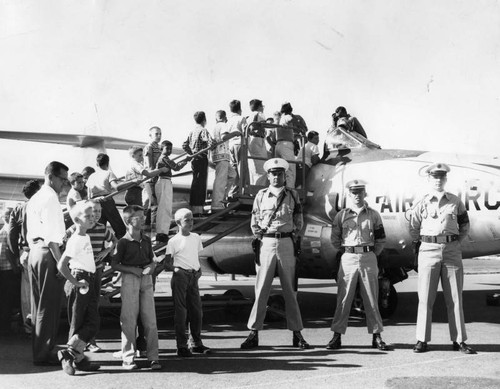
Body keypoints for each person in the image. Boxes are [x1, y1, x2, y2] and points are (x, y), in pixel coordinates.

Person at [241, 158, 309, 349]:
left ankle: (297, 334)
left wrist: (291, 236)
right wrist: (263, 237)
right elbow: (254, 221)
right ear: (268, 176)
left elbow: (299, 220)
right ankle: (253, 333)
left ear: (284, 176)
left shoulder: (293, 196)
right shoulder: (261, 196)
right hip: (267, 243)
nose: (276, 177)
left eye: (280, 173)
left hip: (286, 242)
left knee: (290, 291)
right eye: (273, 173)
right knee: (261, 289)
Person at [409, 163, 475, 354]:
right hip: (428, 250)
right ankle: (422, 340)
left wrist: (453, 243)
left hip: (451, 251)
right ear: (429, 179)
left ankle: (459, 340)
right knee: (425, 298)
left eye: (441, 177)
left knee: (455, 297)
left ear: (445, 179)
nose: (438, 180)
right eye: (435, 177)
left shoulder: (455, 201)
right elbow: (413, 227)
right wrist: (424, 244)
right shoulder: (421, 202)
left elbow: (464, 225)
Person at [326, 179, 388, 351]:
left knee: (371, 298)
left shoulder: (373, 215)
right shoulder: (342, 215)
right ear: (349, 194)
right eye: (354, 192)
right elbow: (335, 239)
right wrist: (348, 251)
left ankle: (377, 337)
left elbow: (381, 239)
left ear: (364, 193)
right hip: (348, 258)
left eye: (360, 192)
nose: (357, 195)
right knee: (344, 298)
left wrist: (370, 254)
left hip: (368, 257)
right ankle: (336, 337)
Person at [26, 161, 69, 365]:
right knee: (49, 306)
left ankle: (40, 349)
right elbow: (53, 237)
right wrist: (61, 262)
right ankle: (45, 352)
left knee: (38, 306)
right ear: (51, 177)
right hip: (48, 251)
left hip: (34, 251)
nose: (64, 184)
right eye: (62, 179)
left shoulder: (35, 198)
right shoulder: (51, 198)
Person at [111, 205, 161, 371]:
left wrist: (152, 266)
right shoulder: (123, 242)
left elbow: (152, 259)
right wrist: (132, 270)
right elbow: (114, 264)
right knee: (129, 320)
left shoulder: (146, 240)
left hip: (146, 279)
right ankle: (128, 358)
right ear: (128, 221)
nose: (142, 219)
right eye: (138, 217)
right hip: (131, 280)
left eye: (142, 216)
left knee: (150, 320)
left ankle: (153, 357)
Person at [65, 200, 117, 353]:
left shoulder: (102, 229)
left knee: (93, 309)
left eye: (99, 211)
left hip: (96, 270)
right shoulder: (76, 230)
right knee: (79, 312)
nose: (97, 215)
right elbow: (62, 244)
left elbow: (114, 241)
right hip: (81, 273)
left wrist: (106, 252)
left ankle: (86, 343)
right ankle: (74, 348)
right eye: (94, 211)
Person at [57, 202, 101, 375]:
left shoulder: (86, 237)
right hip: (80, 280)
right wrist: (75, 282)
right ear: (76, 219)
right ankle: (70, 356)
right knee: (77, 322)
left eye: (93, 215)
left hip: (88, 279)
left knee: (93, 322)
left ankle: (75, 354)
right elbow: (62, 265)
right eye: (87, 216)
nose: (92, 218)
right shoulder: (75, 239)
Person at [164, 208, 211, 357]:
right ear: (178, 222)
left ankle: (196, 343)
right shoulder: (173, 241)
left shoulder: (196, 237)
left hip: (193, 276)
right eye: (187, 220)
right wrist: (177, 270)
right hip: (181, 276)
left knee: (197, 311)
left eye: (191, 219)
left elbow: (194, 256)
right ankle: (181, 345)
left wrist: (198, 270)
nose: (191, 222)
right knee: (181, 312)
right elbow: (167, 263)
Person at [6, 179, 41, 335]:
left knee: (27, 292)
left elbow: (11, 236)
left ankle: (29, 326)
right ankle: (41, 325)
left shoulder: (19, 209)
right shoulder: (42, 207)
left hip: (25, 252)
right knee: (41, 290)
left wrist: (15, 257)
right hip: (41, 250)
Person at [86, 153, 126, 239]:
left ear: (97, 164)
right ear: (108, 163)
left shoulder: (91, 176)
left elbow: (89, 196)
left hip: (95, 203)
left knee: (100, 230)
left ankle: (103, 250)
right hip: (107, 202)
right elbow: (116, 187)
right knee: (120, 229)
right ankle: (117, 249)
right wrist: (130, 182)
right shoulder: (108, 173)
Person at [182, 111, 215, 216]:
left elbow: (184, 145)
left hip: (194, 158)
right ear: (204, 119)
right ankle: (198, 209)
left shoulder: (192, 131)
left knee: (195, 182)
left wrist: (191, 153)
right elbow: (211, 142)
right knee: (201, 183)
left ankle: (194, 207)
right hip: (201, 157)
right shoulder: (203, 130)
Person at [155, 140, 188, 242]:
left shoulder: (165, 158)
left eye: (170, 149)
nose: (169, 150)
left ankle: (163, 231)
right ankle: (161, 233)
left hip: (166, 181)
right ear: (161, 148)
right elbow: (176, 167)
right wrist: (186, 160)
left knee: (166, 208)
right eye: (167, 148)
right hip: (164, 181)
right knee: (164, 208)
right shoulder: (164, 159)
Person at [210, 110, 236, 211]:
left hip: (218, 155)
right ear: (225, 117)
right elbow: (224, 136)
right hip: (222, 155)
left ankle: (222, 198)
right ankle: (217, 203)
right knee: (221, 179)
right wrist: (235, 133)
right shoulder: (223, 125)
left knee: (232, 174)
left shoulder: (215, 126)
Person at [277, 102, 307, 188]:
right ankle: (290, 191)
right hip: (286, 144)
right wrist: (298, 126)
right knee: (290, 170)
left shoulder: (278, 118)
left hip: (278, 144)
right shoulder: (287, 116)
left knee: (279, 169)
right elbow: (290, 119)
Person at [0, 208, 17, 337]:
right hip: (6, 269)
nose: (6, 217)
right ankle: (5, 326)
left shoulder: (4, 229)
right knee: (7, 299)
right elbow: (5, 251)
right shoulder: (6, 230)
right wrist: (14, 266)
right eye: (5, 215)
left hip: (4, 269)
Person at [226, 100, 247, 198]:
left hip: (230, 144)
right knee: (241, 167)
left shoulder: (229, 120)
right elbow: (245, 132)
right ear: (240, 109)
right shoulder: (241, 118)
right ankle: (241, 191)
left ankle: (233, 192)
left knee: (234, 168)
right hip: (239, 143)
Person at [143, 126, 163, 230]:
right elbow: (149, 164)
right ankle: (153, 227)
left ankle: (147, 225)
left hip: (157, 177)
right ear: (150, 135)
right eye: (156, 134)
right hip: (151, 178)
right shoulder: (149, 147)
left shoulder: (159, 147)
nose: (159, 136)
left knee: (154, 203)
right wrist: (153, 174)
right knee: (154, 203)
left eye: (160, 134)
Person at [247, 99, 269, 186]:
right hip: (258, 140)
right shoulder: (259, 114)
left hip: (251, 140)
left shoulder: (249, 117)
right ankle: (259, 189)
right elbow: (264, 124)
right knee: (262, 167)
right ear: (259, 107)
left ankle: (254, 187)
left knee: (254, 168)